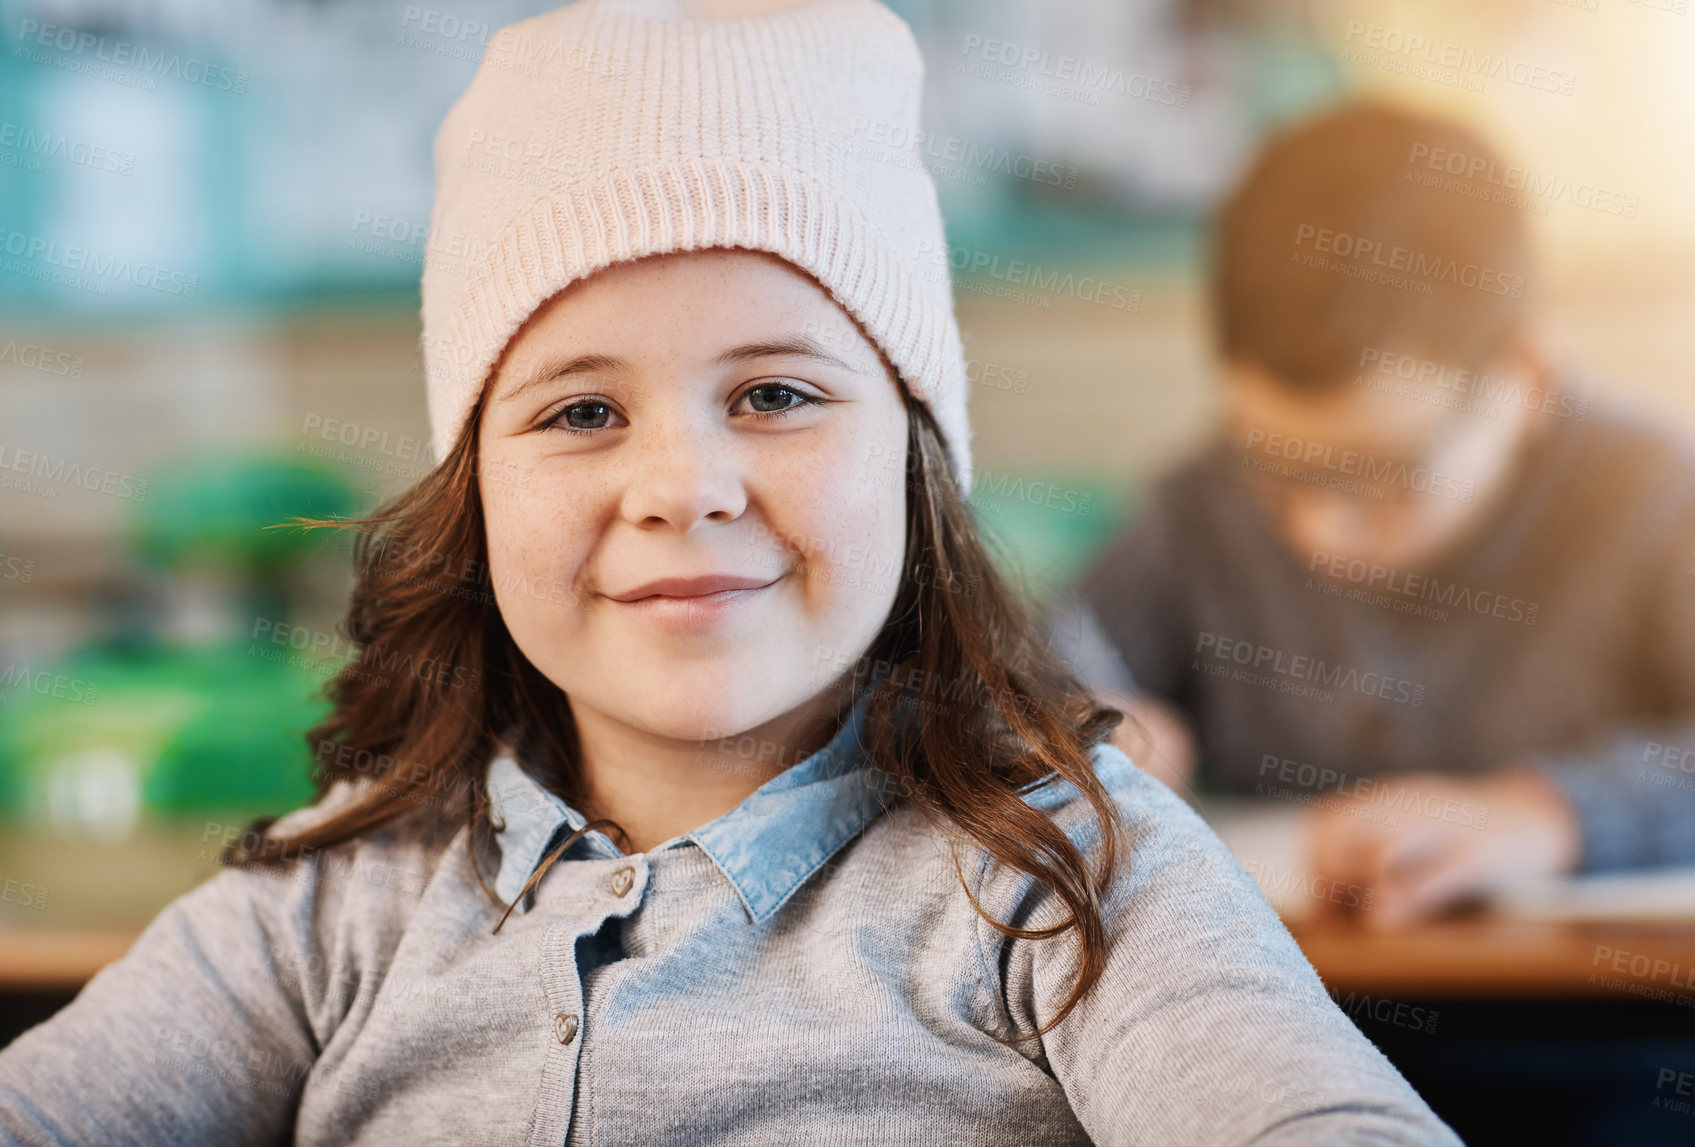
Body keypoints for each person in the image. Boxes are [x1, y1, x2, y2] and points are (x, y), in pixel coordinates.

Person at [0, 4, 1459, 1144]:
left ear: (915, 459)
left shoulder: (1068, 873)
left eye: (773, 393)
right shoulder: (329, 900)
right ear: (477, 491)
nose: (682, 482)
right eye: (579, 412)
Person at [1053, 100, 1695, 931]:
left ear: (1525, 378)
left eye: (1386, 477)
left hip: (1607, 1038)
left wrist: (1549, 816)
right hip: (1294, 1027)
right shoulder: (1200, 504)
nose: (1319, 534)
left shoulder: (1667, 503)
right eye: (1275, 471)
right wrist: (1075, 725)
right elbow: (1034, 661)